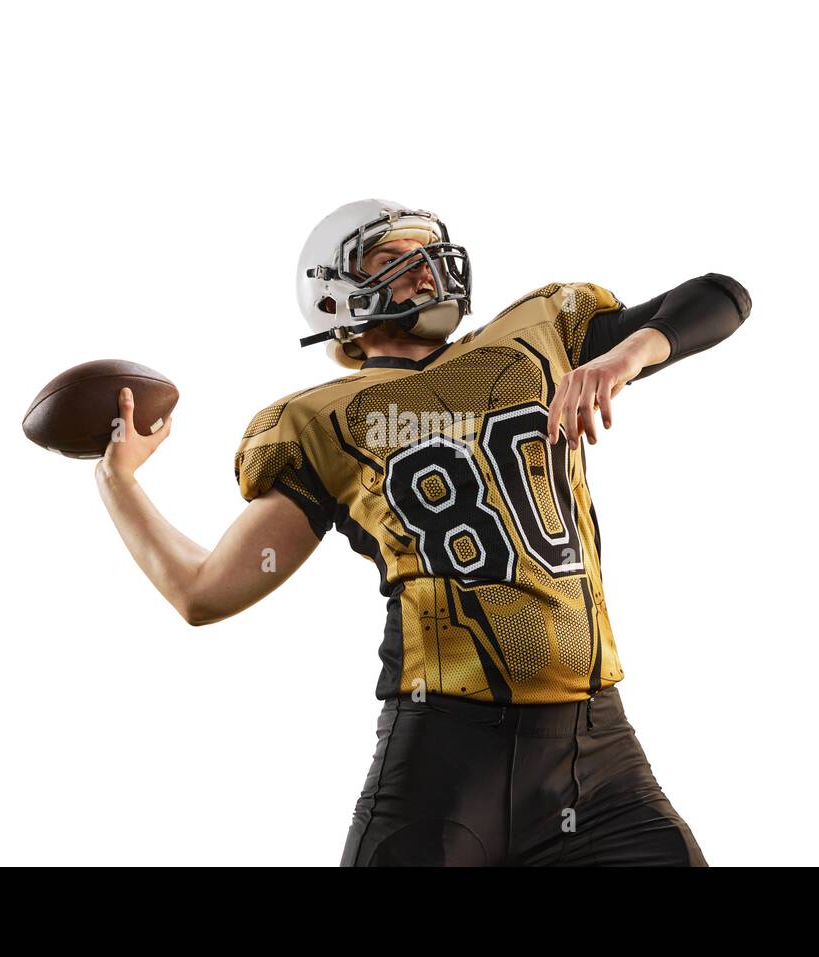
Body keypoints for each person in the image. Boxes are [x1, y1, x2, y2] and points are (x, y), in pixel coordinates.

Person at [95, 199, 752, 866]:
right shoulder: (323, 421)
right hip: (442, 762)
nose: (425, 269)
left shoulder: (539, 336)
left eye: (429, 252)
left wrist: (622, 358)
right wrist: (118, 482)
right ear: (335, 296)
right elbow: (203, 592)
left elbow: (721, 296)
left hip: (596, 753)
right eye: (392, 257)